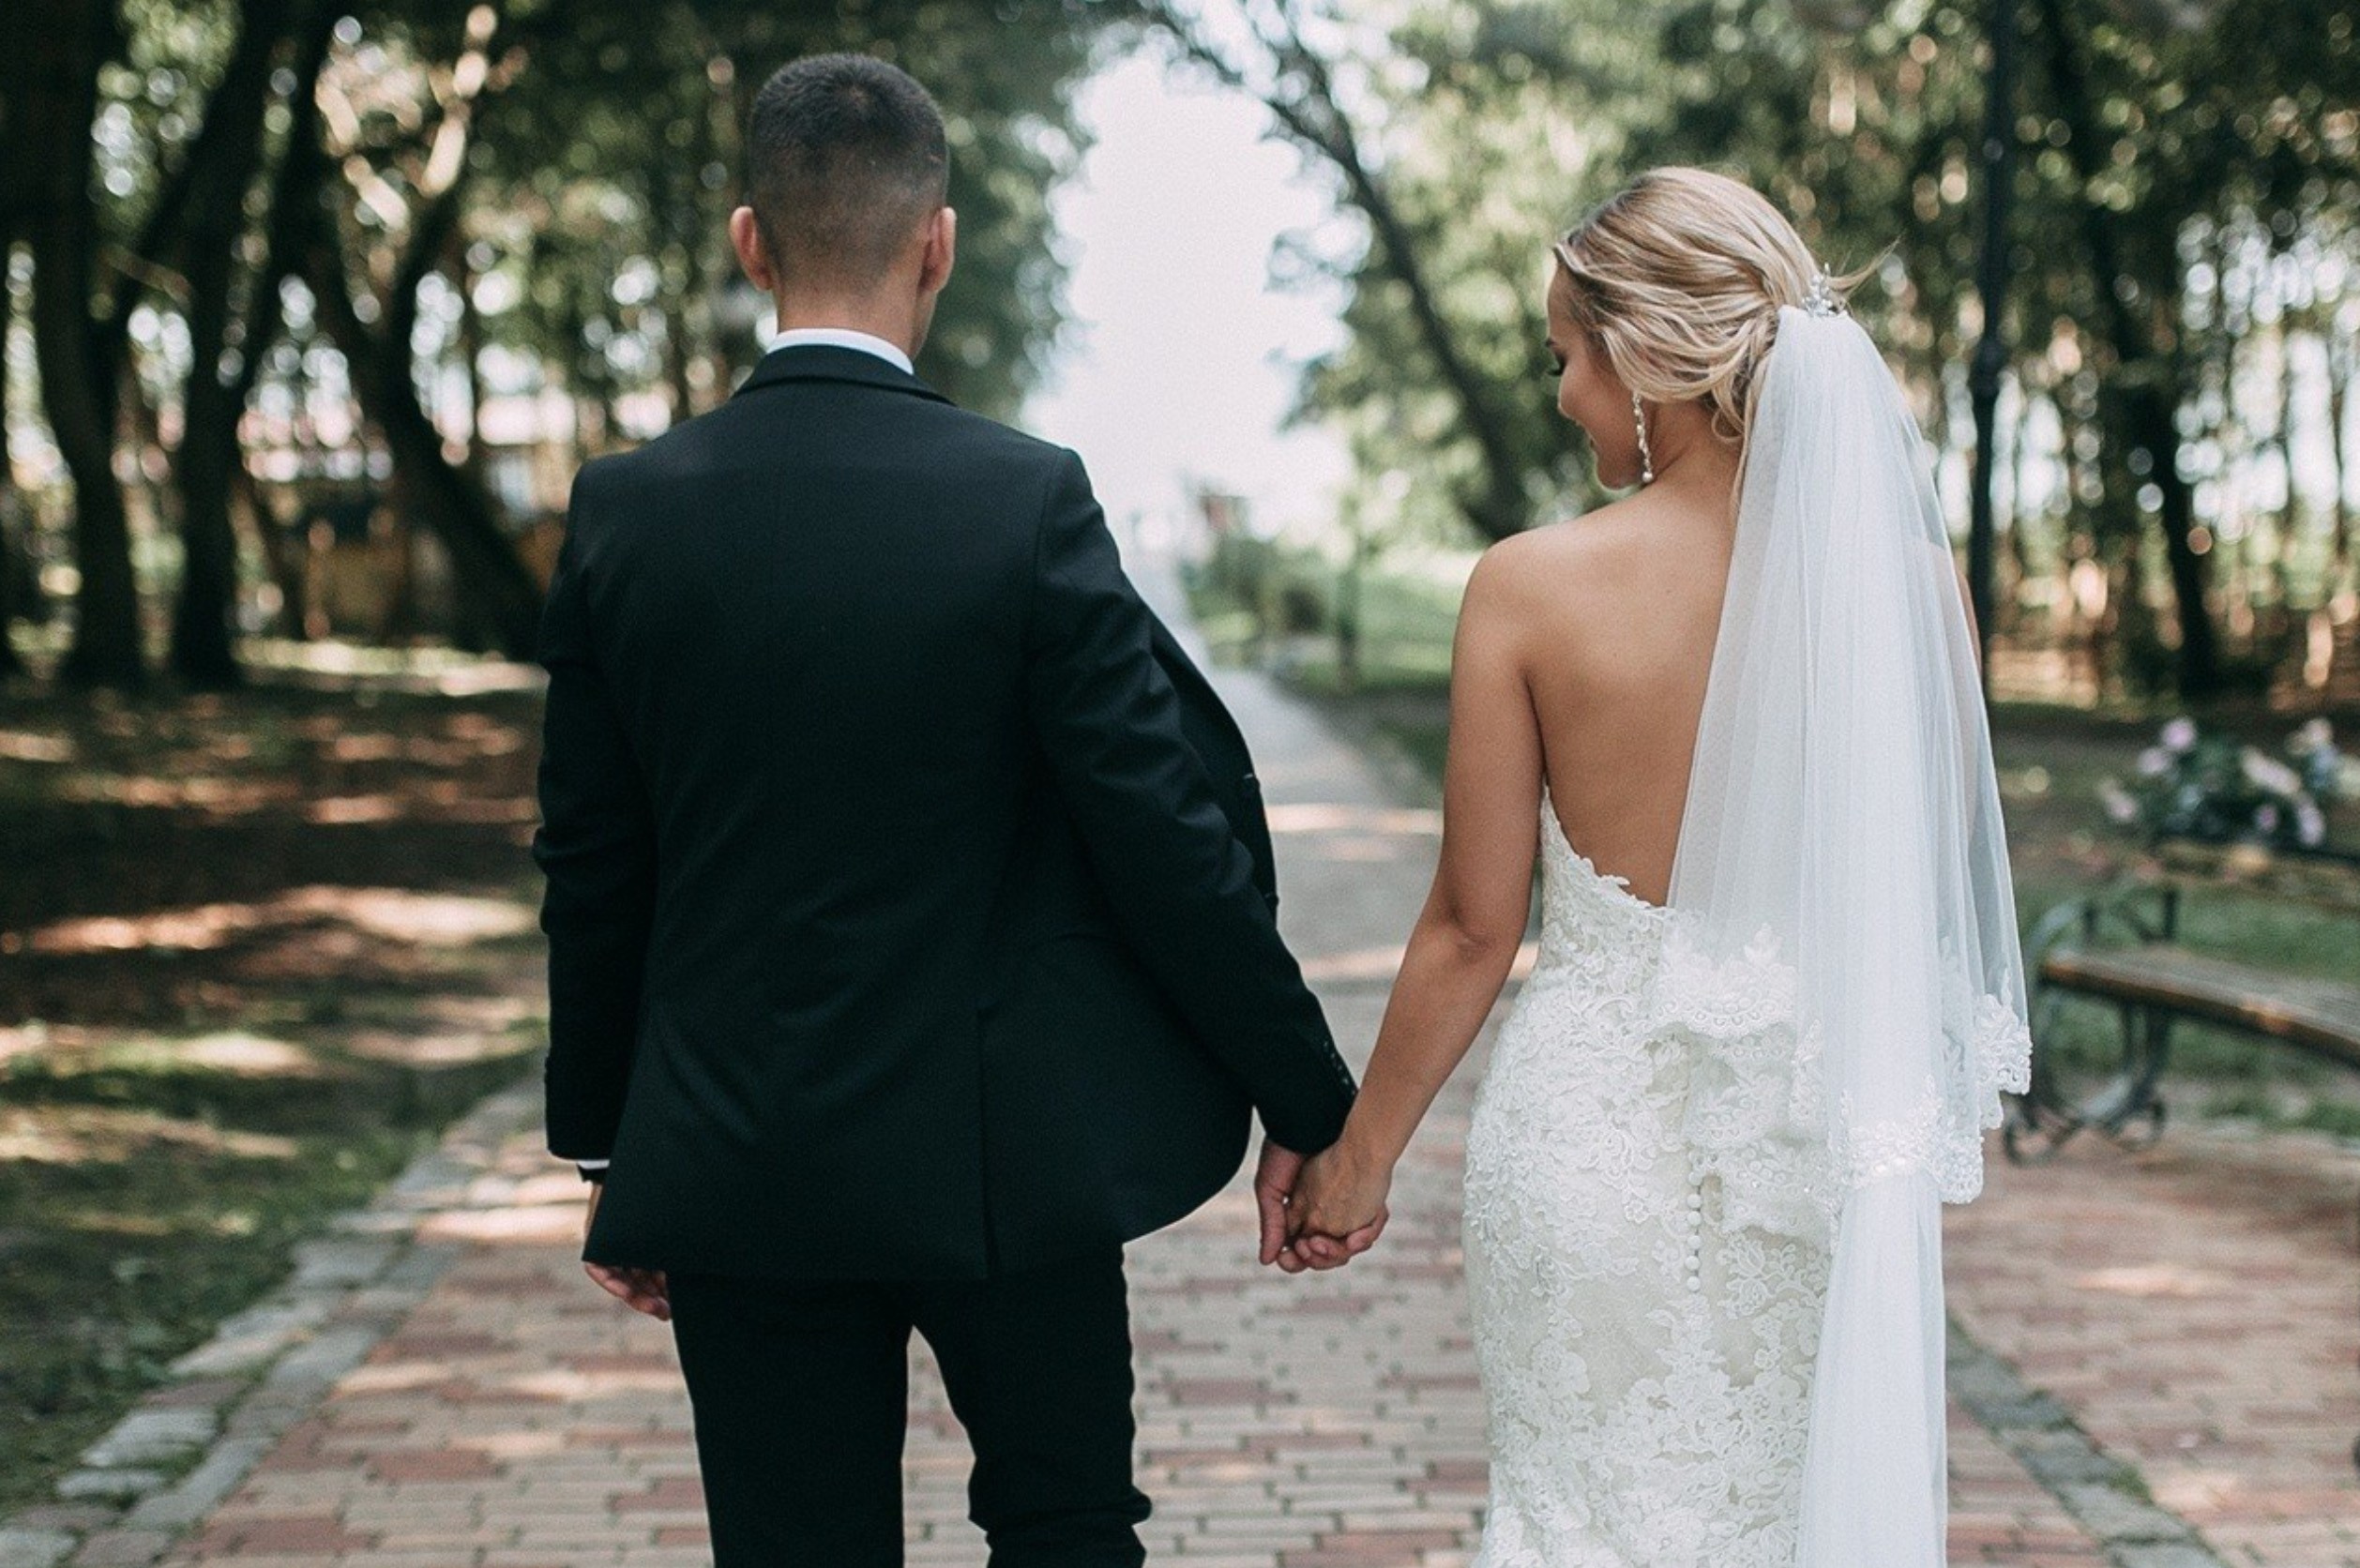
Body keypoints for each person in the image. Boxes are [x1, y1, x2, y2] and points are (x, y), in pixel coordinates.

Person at [530, 53, 1372, 1567]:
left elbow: (594, 863)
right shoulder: (1022, 498)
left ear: (749, 243)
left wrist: (613, 1151)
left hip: (739, 1147)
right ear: (939, 244)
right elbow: (1163, 841)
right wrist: (1312, 1106)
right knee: (1064, 1530)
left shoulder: (626, 509)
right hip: (1009, 1156)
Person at [1280, 167, 2033, 1566]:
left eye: (1565, 357)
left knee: (1577, 1521)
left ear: (1646, 357)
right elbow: (1914, 893)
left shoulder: (1530, 588)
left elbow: (1470, 928)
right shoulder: (1919, 591)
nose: (1563, 396)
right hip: (1807, 1160)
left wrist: (1357, 1160)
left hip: (1591, 1153)